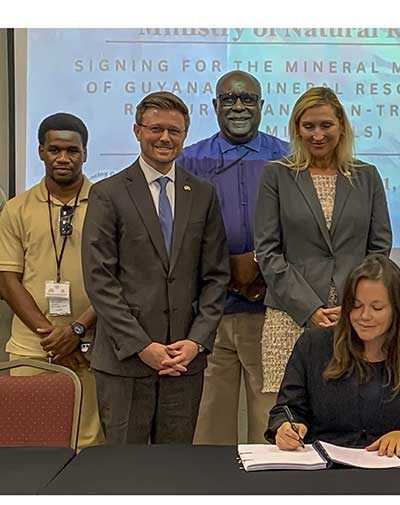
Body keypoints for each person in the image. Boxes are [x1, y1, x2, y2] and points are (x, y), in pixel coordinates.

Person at [82, 92, 229, 444]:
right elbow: (100, 279)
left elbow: (216, 276)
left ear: (185, 135)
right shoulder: (108, 193)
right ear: (137, 131)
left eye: (175, 131)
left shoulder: (203, 194)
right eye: (156, 129)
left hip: (183, 362)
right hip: (125, 362)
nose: (165, 138)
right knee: (125, 473)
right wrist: (141, 346)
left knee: (175, 472)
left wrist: (196, 342)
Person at [254, 86, 391, 396]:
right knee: (288, 417)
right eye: (308, 126)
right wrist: (310, 308)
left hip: (355, 315)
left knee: (348, 407)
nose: (317, 134)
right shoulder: (276, 175)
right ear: (297, 129)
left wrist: (354, 305)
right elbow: (268, 251)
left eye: (325, 125)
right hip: (290, 315)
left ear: (341, 126)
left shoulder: (367, 176)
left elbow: (378, 248)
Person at [178, 71, 289, 445]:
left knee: (270, 419)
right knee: (210, 421)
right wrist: (229, 272)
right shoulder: (189, 160)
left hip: (273, 309)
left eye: (247, 99)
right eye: (228, 99)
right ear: (214, 106)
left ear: (261, 106)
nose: (238, 106)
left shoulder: (288, 157)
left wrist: (261, 273)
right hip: (211, 310)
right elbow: (179, 234)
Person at [267, 254, 400, 454]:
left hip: (393, 468)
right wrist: (284, 427)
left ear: (397, 311)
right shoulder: (313, 346)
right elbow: (286, 409)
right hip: (325, 469)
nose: (364, 316)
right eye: (356, 305)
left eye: (377, 308)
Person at [0, 113, 103, 449]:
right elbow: (8, 279)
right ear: (41, 152)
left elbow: (117, 279)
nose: (63, 158)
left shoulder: (107, 204)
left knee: (92, 448)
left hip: (92, 346)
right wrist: (52, 337)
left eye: (72, 150)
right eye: (54, 149)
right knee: (30, 446)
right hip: (33, 348)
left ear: (85, 153)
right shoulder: (16, 209)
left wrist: (75, 331)